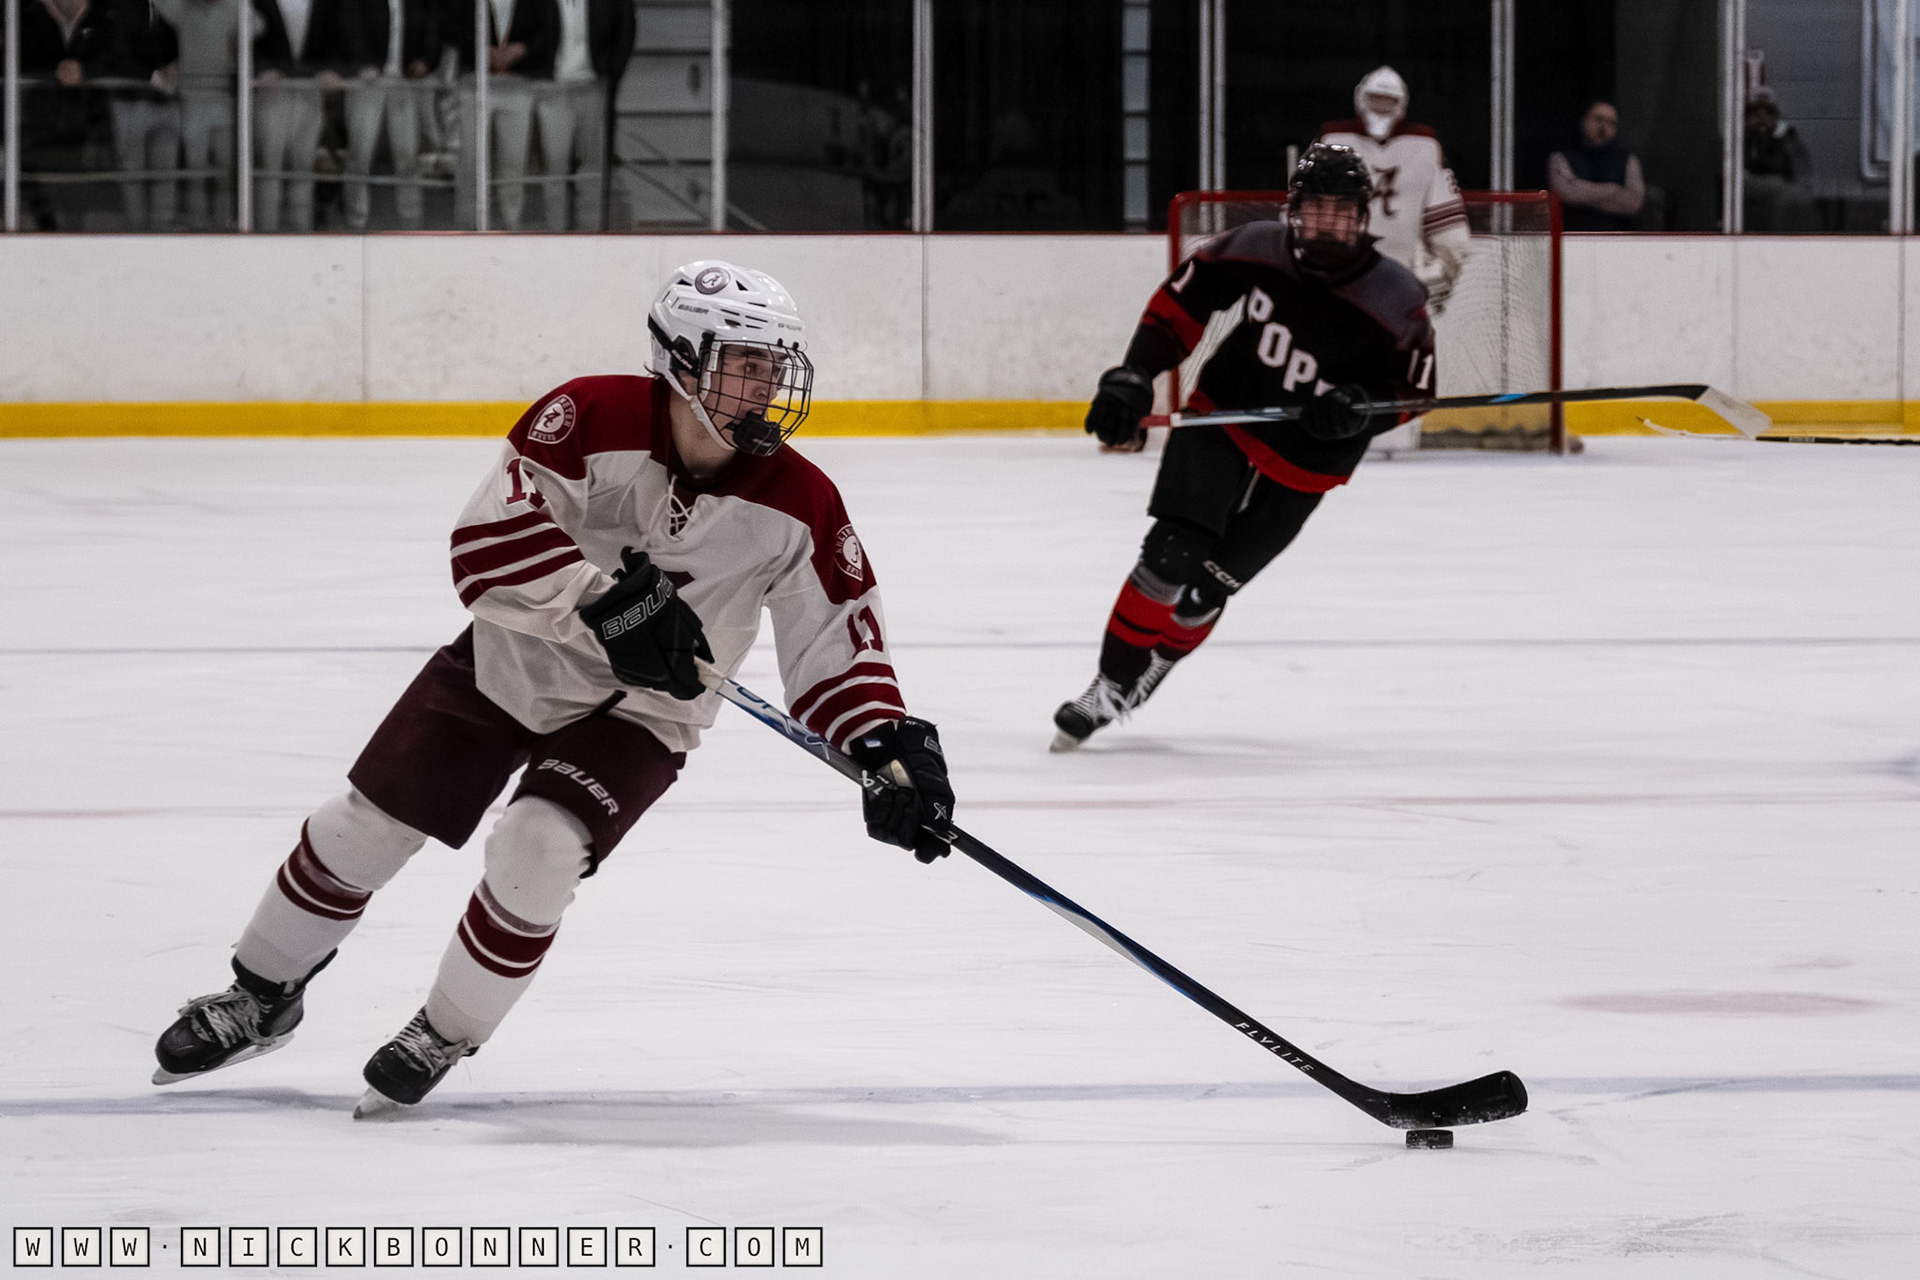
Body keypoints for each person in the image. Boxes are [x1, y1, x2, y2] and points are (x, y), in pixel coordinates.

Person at [151, 261, 958, 1116]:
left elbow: (837, 642)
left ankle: (445, 1029)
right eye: (743, 363)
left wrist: (884, 745)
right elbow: (485, 544)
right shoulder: (588, 416)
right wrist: (605, 605)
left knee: (538, 845)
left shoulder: (803, 501)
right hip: (513, 664)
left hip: (647, 713)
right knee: (365, 826)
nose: (765, 385)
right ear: (681, 360)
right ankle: (261, 995)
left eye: (774, 364)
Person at [1052, 144, 1435, 750]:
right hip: (1226, 415)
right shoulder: (1257, 248)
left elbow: (1414, 391)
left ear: (1363, 218)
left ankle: (1159, 665)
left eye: (1341, 211)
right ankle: (1110, 684)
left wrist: (1360, 408)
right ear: (1294, 210)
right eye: (1315, 208)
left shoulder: (1396, 296)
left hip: (1309, 459)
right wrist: (1135, 373)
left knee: (1208, 585)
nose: (1327, 222)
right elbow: (1183, 303)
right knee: (1169, 555)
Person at [1318, 65, 1470, 315]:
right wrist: (1442, 279)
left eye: (1385, 101)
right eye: (1376, 100)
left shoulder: (1331, 141)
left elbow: (1300, 222)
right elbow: (1453, 241)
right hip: (1395, 288)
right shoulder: (1427, 145)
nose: (1380, 108)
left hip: (1342, 285)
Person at [449, 0, 554, 230]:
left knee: (514, 163)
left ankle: (511, 224)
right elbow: (453, 25)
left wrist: (521, 49)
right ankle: (468, 227)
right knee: (471, 161)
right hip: (474, 84)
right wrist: (482, 51)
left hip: (517, 84)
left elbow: (546, 29)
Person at [335, 0, 437, 230]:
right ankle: (355, 219)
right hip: (365, 81)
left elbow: (431, 29)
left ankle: (411, 219)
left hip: (404, 82)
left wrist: (425, 61)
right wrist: (362, 63)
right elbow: (346, 25)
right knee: (359, 152)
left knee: (408, 154)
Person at [530, 0, 630, 231]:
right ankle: (555, 233)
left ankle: (590, 233)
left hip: (593, 86)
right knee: (554, 165)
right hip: (553, 88)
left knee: (592, 166)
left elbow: (624, 28)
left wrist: (611, 71)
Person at [251, 0, 338, 232]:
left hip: (310, 86)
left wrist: (329, 67)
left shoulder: (323, 5)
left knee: (303, 167)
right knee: (271, 165)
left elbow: (332, 33)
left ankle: (300, 234)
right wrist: (261, 68)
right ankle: (266, 235)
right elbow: (245, 37)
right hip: (273, 89)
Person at [1548, 100, 1645, 233]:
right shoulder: (1561, 157)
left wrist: (1582, 191)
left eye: (1611, 122)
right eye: (1599, 119)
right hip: (1572, 239)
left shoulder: (1628, 160)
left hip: (1619, 240)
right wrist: (1613, 189)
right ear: (1584, 120)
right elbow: (1566, 193)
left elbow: (1634, 202)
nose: (1604, 126)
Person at [1742, 87, 1817, 233]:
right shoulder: (1740, 142)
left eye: (1768, 113)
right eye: (1754, 113)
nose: (1761, 119)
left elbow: (1803, 181)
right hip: (1748, 219)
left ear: (1776, 116)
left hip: (1784, 218)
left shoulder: (1789, 141)